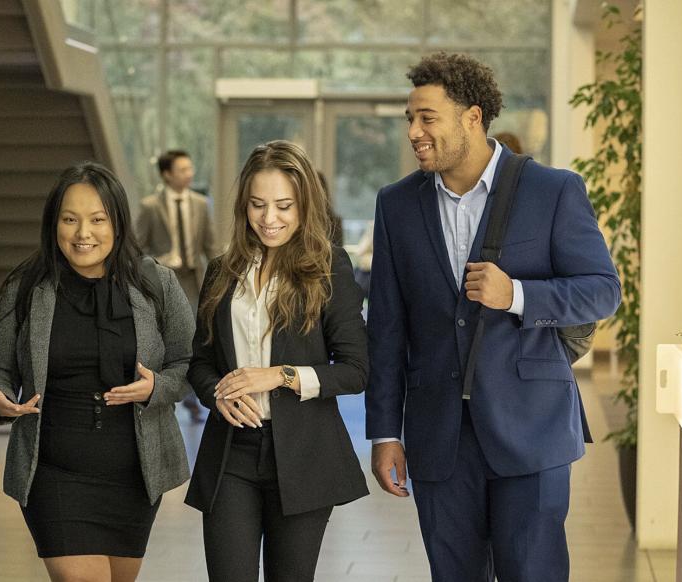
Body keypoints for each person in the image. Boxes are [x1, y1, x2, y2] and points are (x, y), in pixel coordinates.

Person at [365, 52, 621, 582]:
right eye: (409, 119)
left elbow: (602, 291)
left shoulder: (553, 191)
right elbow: (386, 327)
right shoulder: (396, 204)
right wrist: (385, 431)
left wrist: (518, 295)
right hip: (439, 438)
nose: (413, 131)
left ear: (472, 117)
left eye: (426, 118)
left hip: (533, 429)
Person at [0, 162, 195, 582]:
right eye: (70, 219)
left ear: (117, 222)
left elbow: (189, 364)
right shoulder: (26, 285)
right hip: (53, 469)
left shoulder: (156, 283)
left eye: (98, 220)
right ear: (53, 223)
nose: (83, 234)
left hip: (134, 473)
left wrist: (157, 388)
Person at [185, 140, 369, 582]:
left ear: (304, 204)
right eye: (258, 205)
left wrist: (280, 376)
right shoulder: (221, 270)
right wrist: (216, 395)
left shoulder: (330, 268)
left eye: (284, 206)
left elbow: (357, 369)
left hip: (303, 453)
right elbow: (200, 361)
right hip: (231, 452)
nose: (269, 219)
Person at [136, 149, 219, 422]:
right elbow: (138, 249)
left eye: (190, 168)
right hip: (161, 284)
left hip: (193, 282)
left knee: (192, 341)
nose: (189, 174)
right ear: (167, 174)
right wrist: (158, 260)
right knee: (162, 341)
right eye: (182, 169)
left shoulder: (200, 203)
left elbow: (211, 246)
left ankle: (191, 398)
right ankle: (163, 392)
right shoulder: (150, 206)